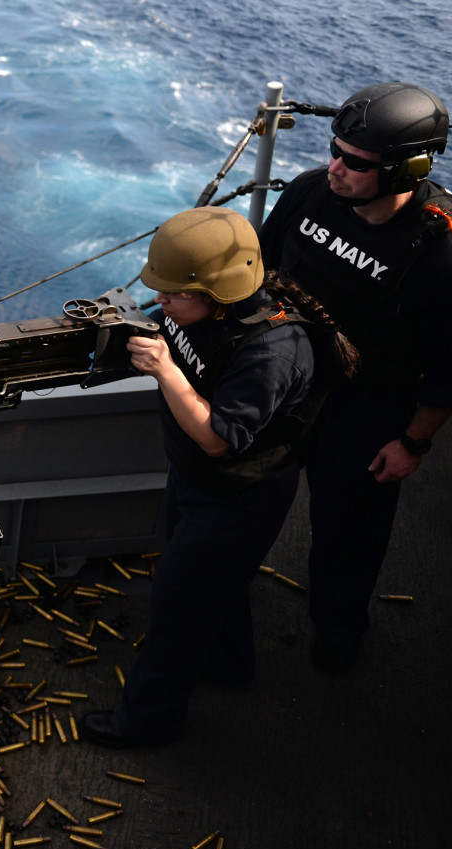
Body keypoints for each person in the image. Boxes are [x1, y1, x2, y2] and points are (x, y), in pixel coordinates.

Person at [82, 206, 358, 748]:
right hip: (196, 478)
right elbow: (167, 331)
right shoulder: (200, 314)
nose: (160, 304)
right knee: (213, 585)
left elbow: (217, 437)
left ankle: (147, 722)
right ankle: (229, 665)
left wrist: (164, 370)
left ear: (214, 294)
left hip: (238, 495)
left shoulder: (272, 351)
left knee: (177, 607)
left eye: (172, 295)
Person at [258, 82, 452, 673]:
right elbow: (260, 268)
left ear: (408, 168)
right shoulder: (312, 193)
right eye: (334, 150)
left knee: (348, 529)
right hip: (286, 378)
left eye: (356, 162)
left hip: (366, 410)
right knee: (245, 491)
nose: (335, 167)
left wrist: (411, 442)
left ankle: (338, 627)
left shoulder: (447, 257)